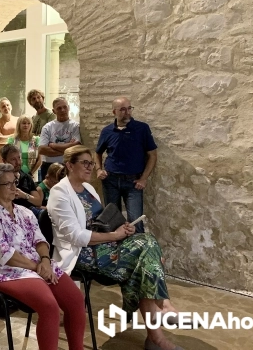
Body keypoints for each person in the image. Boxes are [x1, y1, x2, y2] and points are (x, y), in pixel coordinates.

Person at [47, 145, 183, 350]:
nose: (90, 167)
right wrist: (114, 235)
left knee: (147, 251)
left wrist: (120, 227)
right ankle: (160, 312)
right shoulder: (59, 193)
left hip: (104, 244)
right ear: (69, 165)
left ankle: (157, 333)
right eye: (85, 163)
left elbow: (100, 221)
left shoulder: (89, 188)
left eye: (91, 163)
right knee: (148, 253)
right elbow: (75, 236)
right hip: (82, 254)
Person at [0, 163, 85, 350]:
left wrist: (44, 261)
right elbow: (6, 255)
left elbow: (40, 241)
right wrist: (38, 267)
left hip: (37, 265)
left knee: (75, 301)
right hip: (7, 271)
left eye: (15, 182)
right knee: (49, 307)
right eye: (8, 184)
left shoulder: (24, 212)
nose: (14, 188)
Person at [95, 97, 157, 233]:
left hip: (133, 182)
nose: (127, 112)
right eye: (122, 109)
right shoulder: (107, 131)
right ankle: (115, 252)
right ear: (114, 112)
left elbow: (152, 155)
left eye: (129, 108)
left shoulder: (142, 128)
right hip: (110, 180)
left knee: (136, 221)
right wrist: (99, 169)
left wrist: (144, 178)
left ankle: (138, 252)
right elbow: (97, 153)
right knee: (111, 220)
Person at [38, 97, 80, 179]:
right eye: (59, 108)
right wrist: (69, 147)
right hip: (49, 166)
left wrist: (53, 145)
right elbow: (42, 150)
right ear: (54, 111)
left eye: (65, 107)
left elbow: (76, 148)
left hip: (68, 166)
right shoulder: (47, 127)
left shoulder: (75, 126)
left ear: (69, 108)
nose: (63, 110)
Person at [0, 144, 42, 217]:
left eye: (19, 158)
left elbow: (38, 202)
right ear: (4, 161)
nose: (18, 162)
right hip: (10, 214)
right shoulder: (0, 179)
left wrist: (24, 195)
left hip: (29, 213)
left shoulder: (27, 177)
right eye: (13, 159)